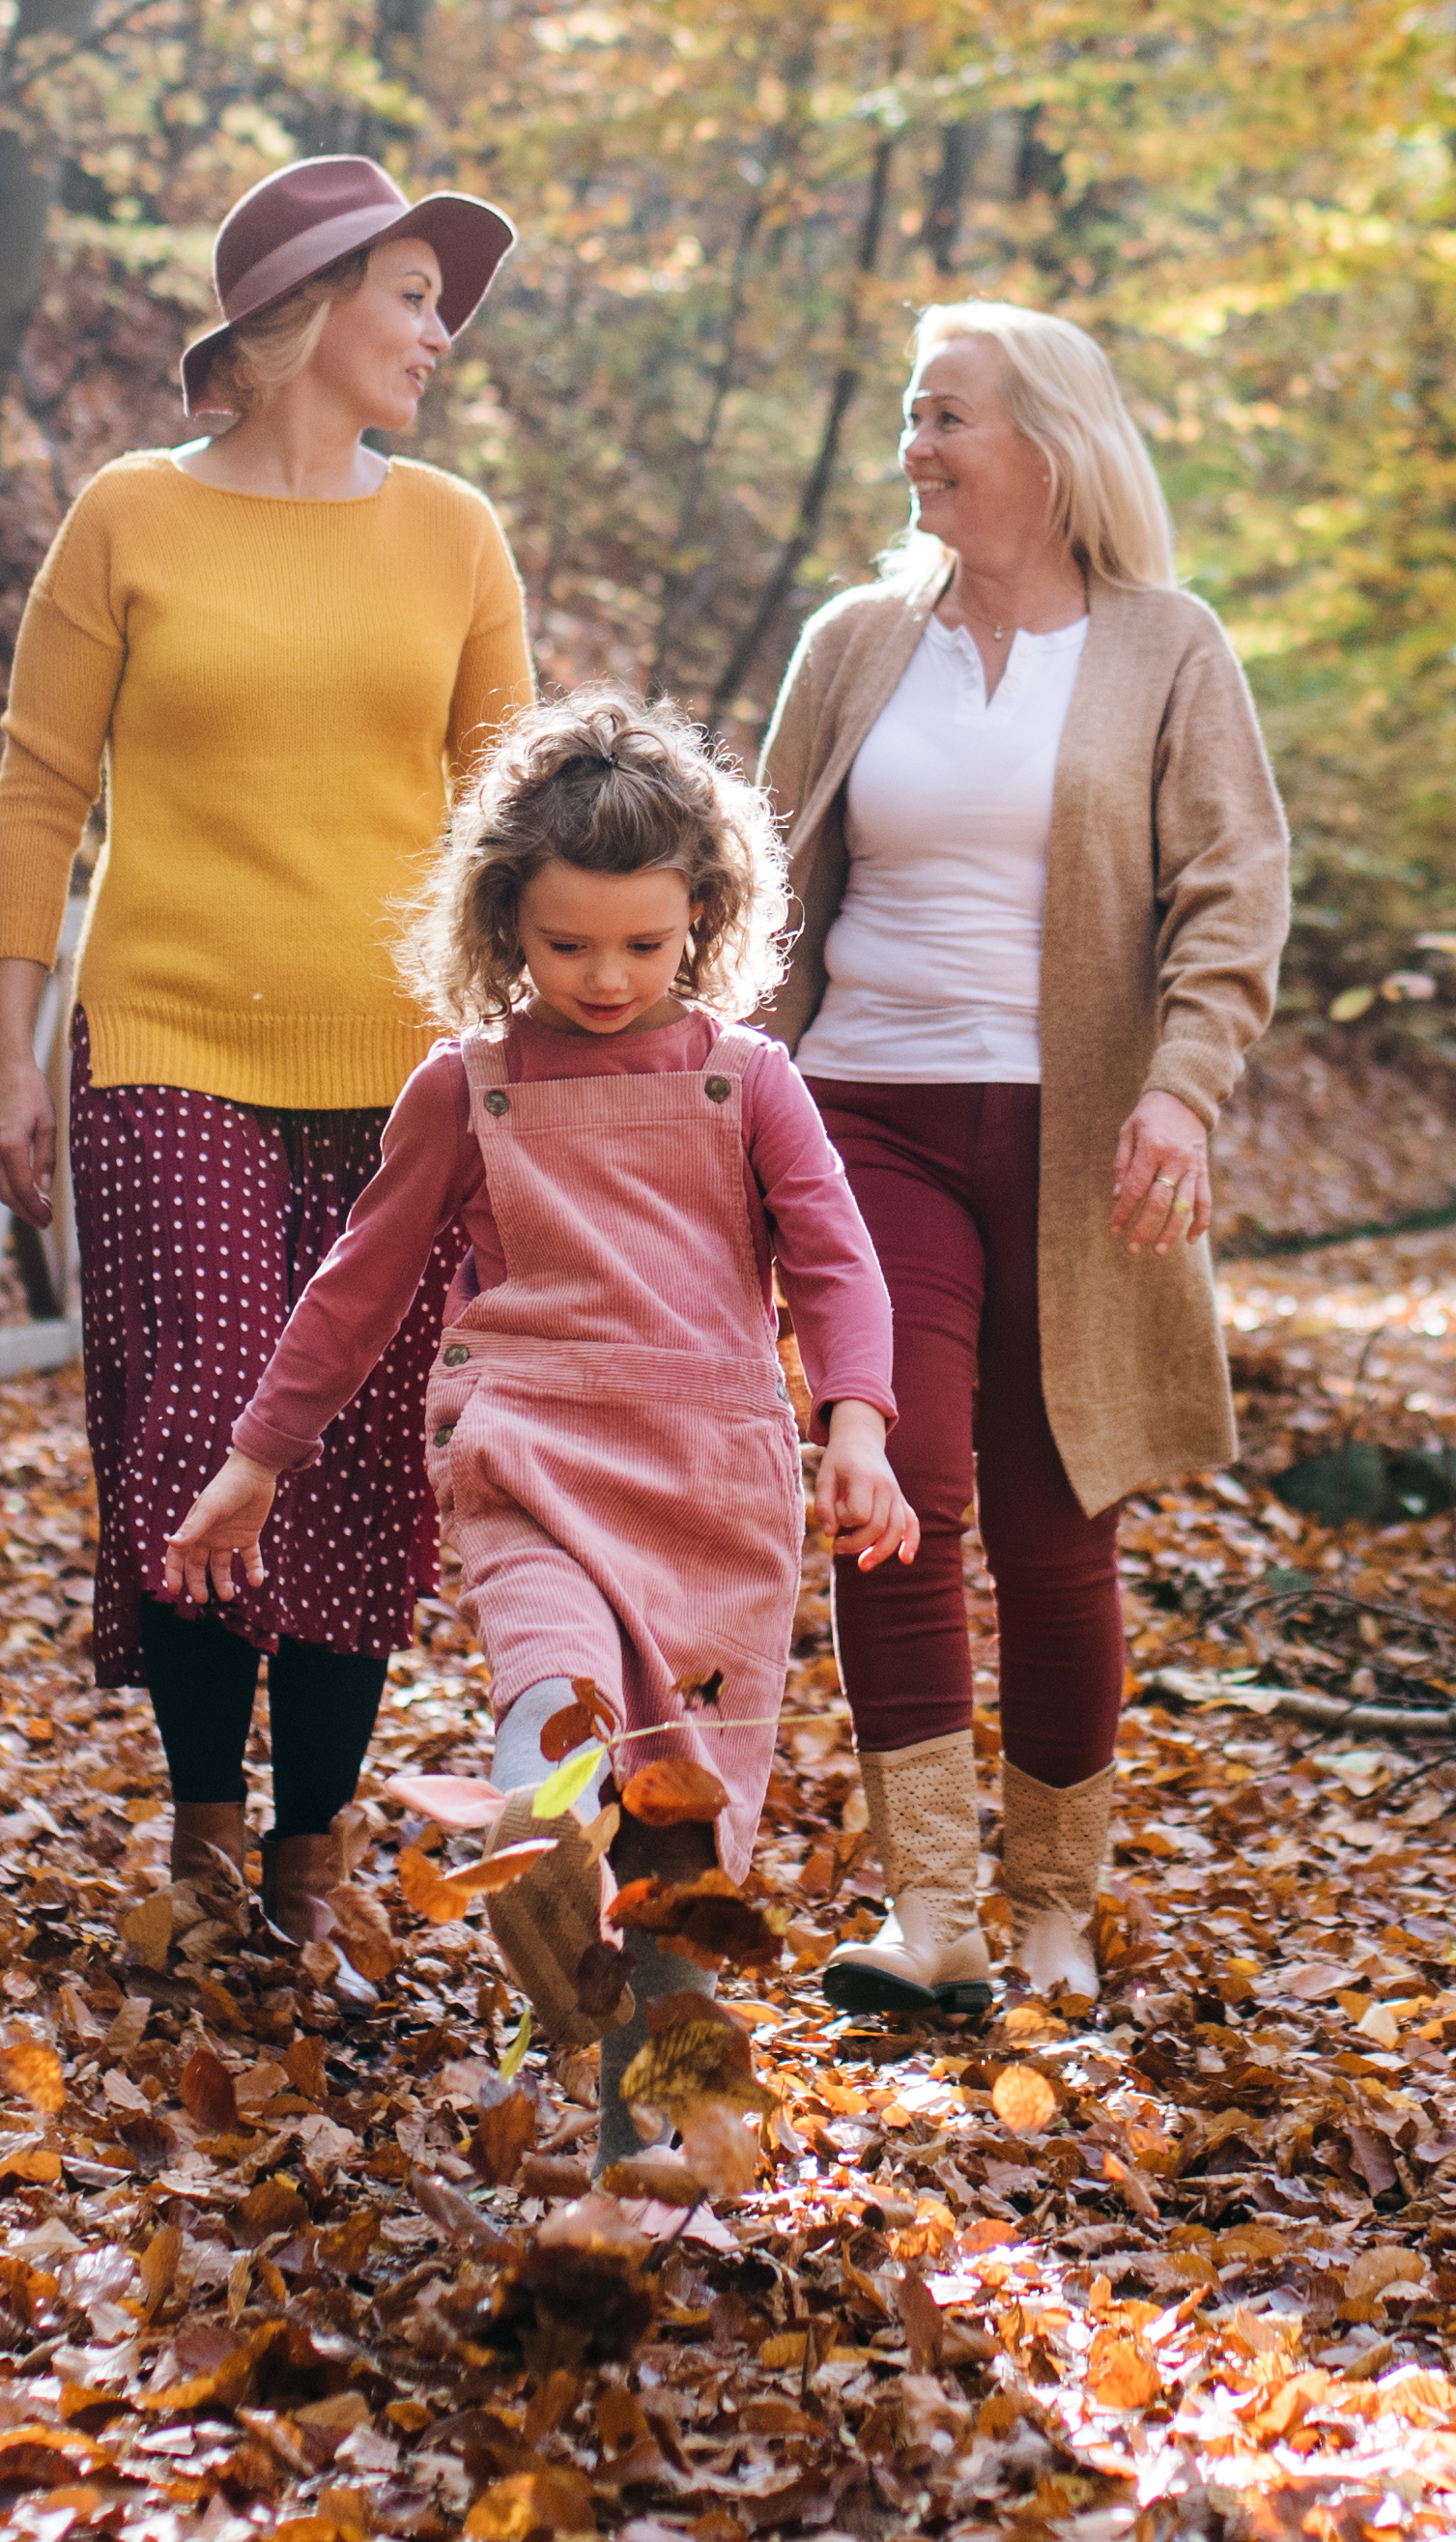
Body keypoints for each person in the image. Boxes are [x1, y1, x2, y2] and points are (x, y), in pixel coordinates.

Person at [166, 692, 909, 2090]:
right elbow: (358, 1284)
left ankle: (639, 2098)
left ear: (702, 915)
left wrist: (856, 1427)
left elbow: (835, 1263)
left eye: (644, 942)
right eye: (566, 945)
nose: (608, 976)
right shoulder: (468, 1087)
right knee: (551, 1699)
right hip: (529, 1455)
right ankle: (538, 1844)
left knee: (682, 1821)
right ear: (505, 920)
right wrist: (258, 1457)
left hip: (714, 1481)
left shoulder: (750, 1081)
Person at [0, 152, 531, 1962]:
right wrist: (3, 1056)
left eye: (440, 306)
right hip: (164, 1040)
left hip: (402, 1068)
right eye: (411, 297)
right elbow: (39, 794)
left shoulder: (452, 533)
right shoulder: (130, 517)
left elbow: (507, 819)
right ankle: (203, 1825)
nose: (438, 334)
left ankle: (313, 1847)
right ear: (304, 314)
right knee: (207, 1419)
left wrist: (539, 1072)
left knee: (359, 1438)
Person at [763, 300, 1287, 2015]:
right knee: (891, 1491)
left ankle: (1052, 1905)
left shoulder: (1165, 646)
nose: (914, 449)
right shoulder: (853, 641)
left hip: (1080, 1142)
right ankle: (932, 1916)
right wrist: (713, 1098)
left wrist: (1181, 1090)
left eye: (945, 420)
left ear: (1047, 448)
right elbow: (758, 892)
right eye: (911, 419)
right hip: (866, 1116)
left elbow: (1230, 890)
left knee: (1061, 1525)